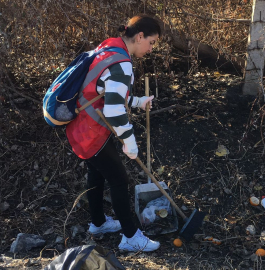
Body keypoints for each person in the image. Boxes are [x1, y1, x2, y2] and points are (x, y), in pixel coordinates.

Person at [65, 15, 161, 252]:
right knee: (119, 179)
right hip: (91, 132)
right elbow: (114, 109)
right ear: (139, 37)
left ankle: (97, 223)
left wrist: (137, 101)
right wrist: (129, 141)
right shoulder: (122, 63)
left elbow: (107, 90)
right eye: (152, 42)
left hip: (81, 127)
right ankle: (130, 237)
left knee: (97, 174)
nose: (151, 48)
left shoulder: (110, 48)